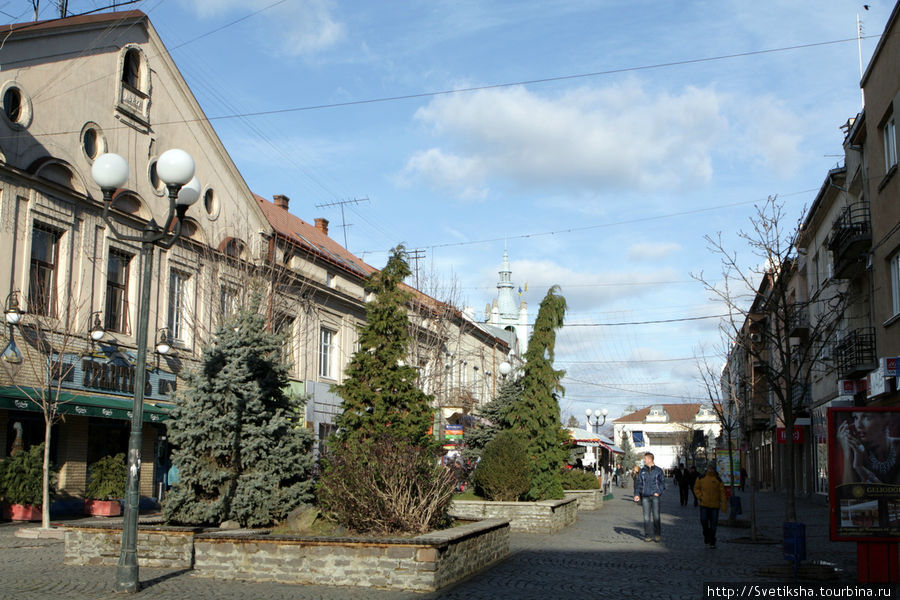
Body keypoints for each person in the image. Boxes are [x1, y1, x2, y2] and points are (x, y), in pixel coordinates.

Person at [837, 411, 900, 484]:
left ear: (886, 420)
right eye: (856, 417)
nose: (858, 425)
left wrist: (859, 467)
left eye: (866, 417)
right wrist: (847, 452)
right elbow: (848, 492)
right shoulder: (858, 450)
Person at [633, 452, 666, 542]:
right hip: (645, 497)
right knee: (646, 517)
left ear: (650, 459)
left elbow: (663, 483)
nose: (644, 460)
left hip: (655, 497)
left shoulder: (658, 470)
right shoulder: (642, 471)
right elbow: (639, 484)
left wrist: (658, 492)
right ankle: (647, 535)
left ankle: (657, 534)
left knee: (656, 516)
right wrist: (636, 494)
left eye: (645, 459)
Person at [694, 464, 727, 548]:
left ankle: (712, 540)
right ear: (707, 468)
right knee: (703, 521)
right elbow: (696, 488)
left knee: (713, 524)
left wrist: (723, 504)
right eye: (709, 468)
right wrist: (700, 497)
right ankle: (706, 534)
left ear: (714, 469)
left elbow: (722, 493)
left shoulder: (718, 480)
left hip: (715, 506)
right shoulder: (701, 478)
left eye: (712, 468)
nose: (710, 469)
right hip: (704, 504)